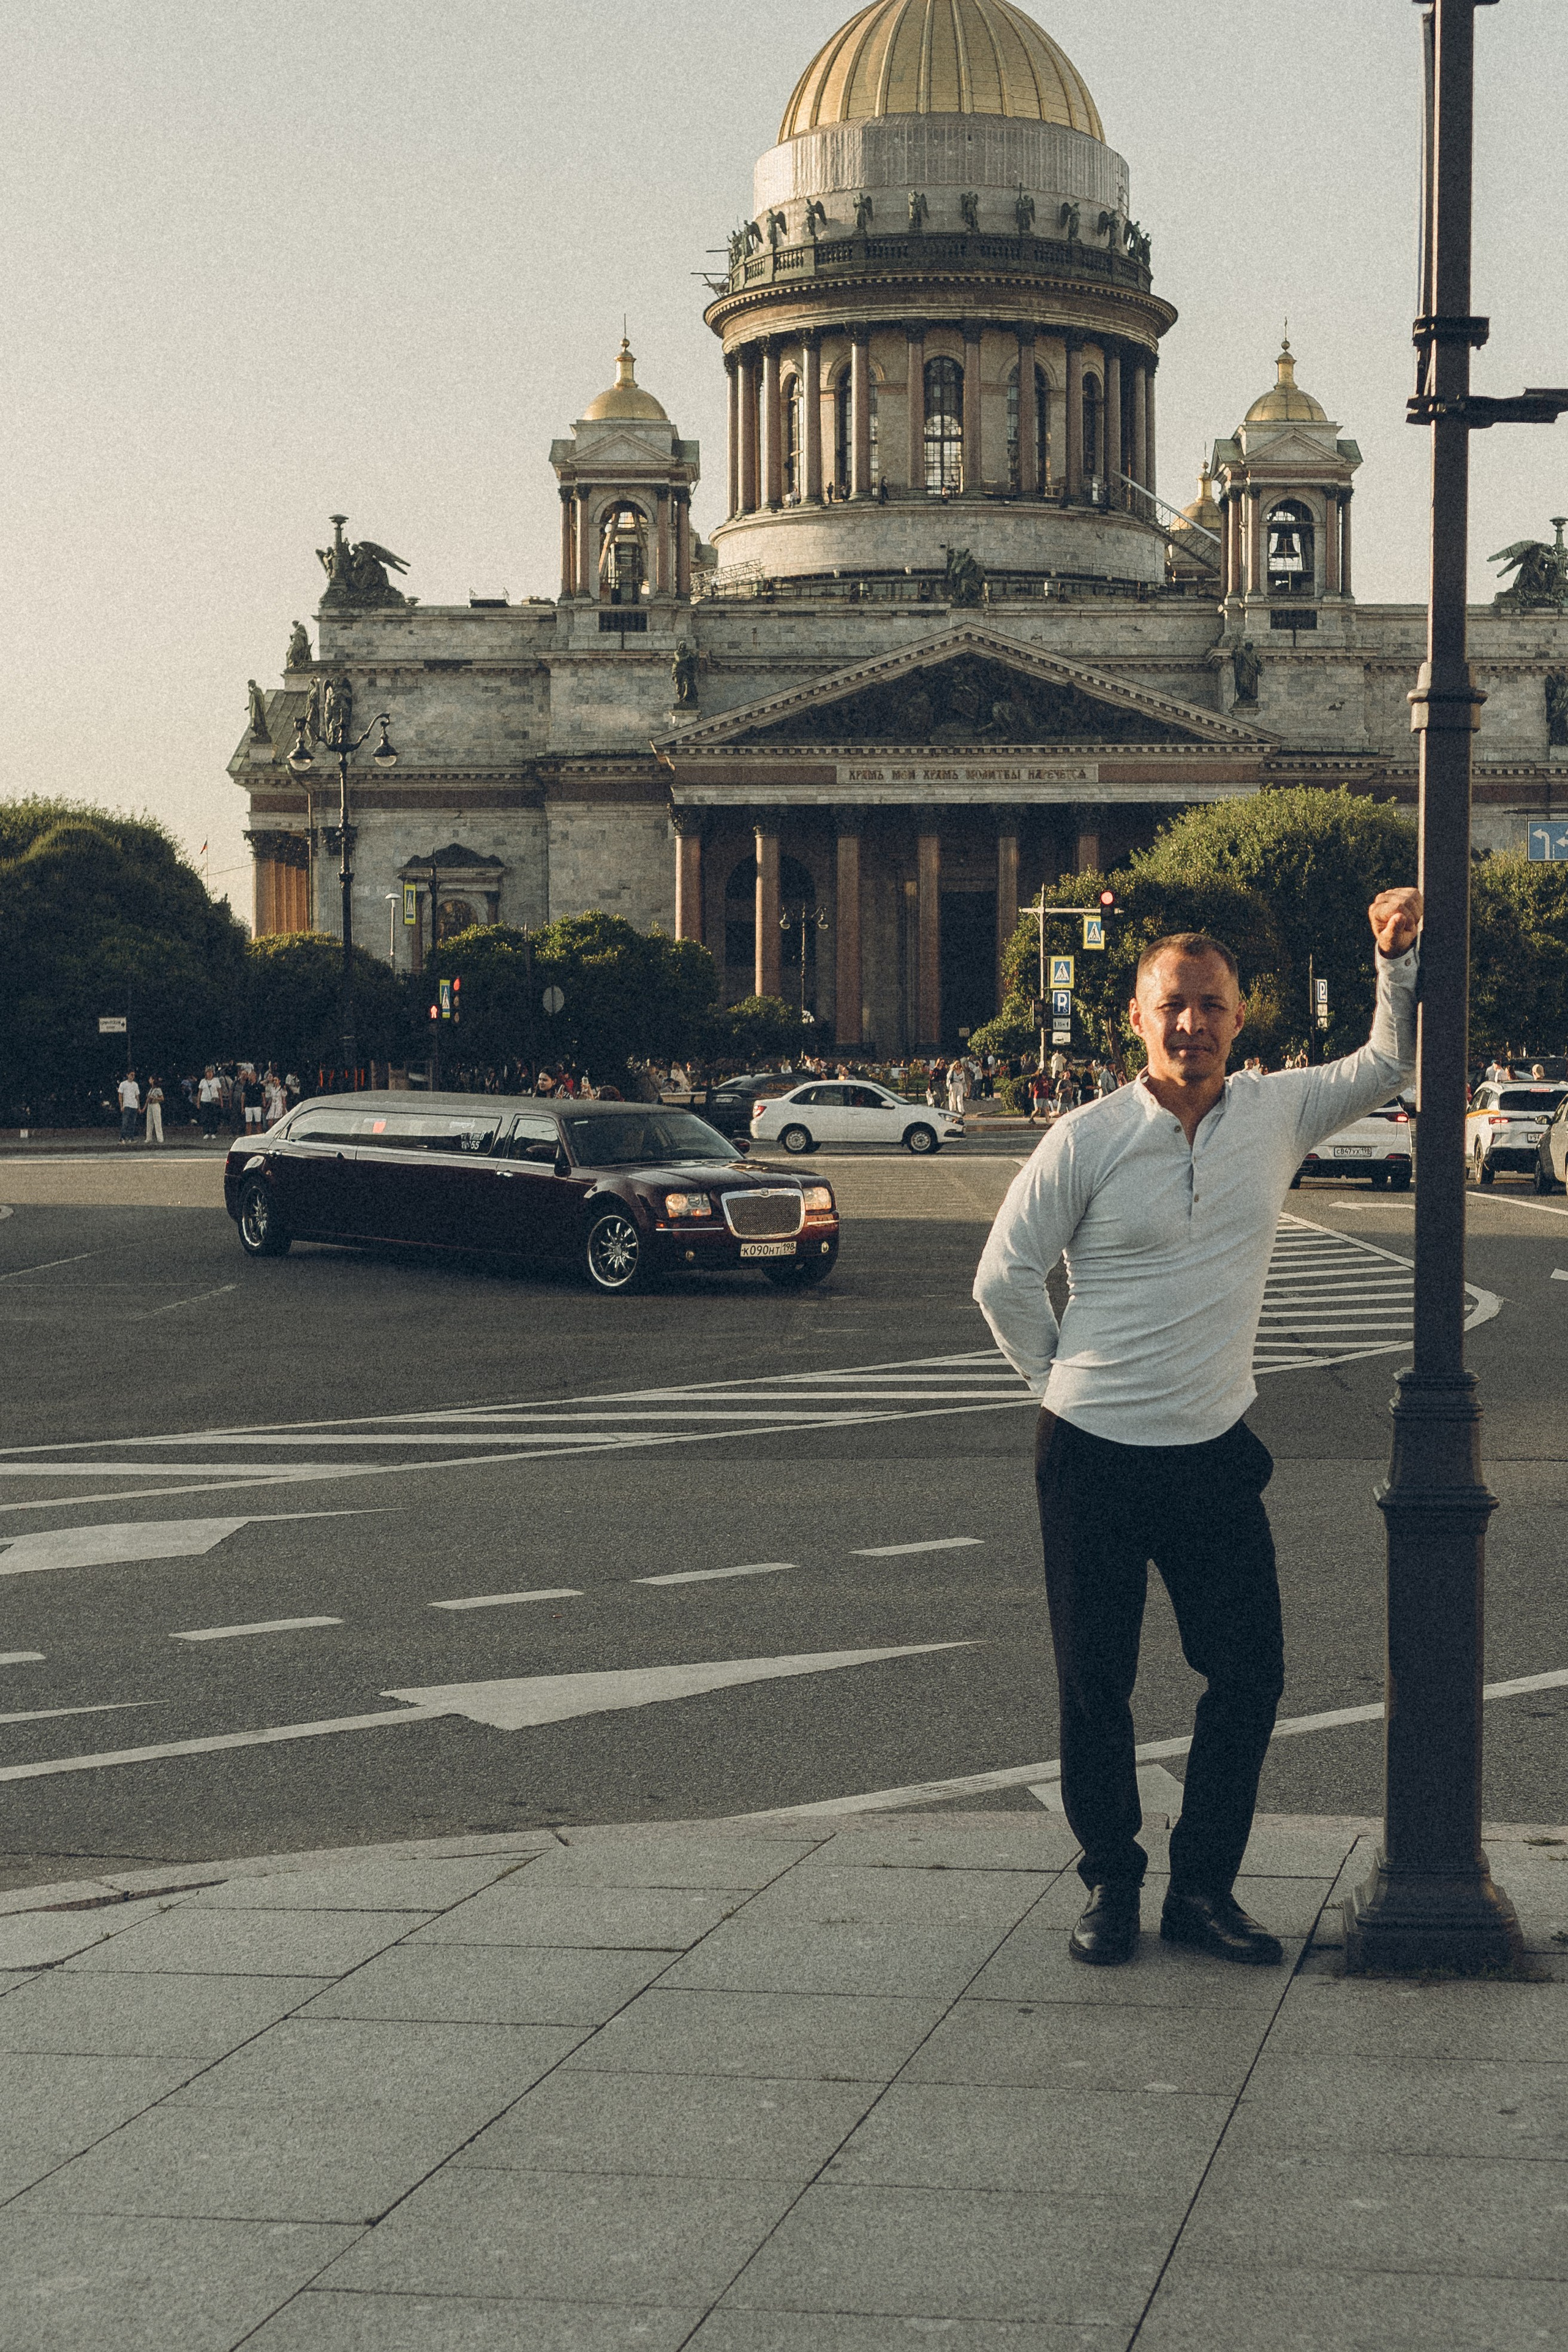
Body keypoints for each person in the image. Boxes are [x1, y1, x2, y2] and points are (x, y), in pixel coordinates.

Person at [974, 888, 1422, 1972]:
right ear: (1136, 1017)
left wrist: (1393, 960)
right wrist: (1064, 1382)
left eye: (1211, 1007)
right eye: (1174, 1006)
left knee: (1250, 1675)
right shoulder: (1086, 1137)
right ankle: (1112, 1884)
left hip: (1214, 1449)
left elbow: (1386, 1066)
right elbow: (1002, 1277)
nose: (1193, 1025)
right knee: (1097, 1684)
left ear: (1240, 1016)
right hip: (1091, 1453)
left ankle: (1204, 1890)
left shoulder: (1275, 1113)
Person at [117, 1069, 141, 1145]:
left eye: (134, 1075)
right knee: (125, 1122)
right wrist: (121, 1106)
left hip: (134, 1105)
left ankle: (131, 1138)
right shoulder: (123, 1084)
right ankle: (122, 1138)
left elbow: (137, 1096)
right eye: (131, 1075)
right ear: (127, 1075)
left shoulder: (135, 1085)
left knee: (132, 1123)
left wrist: (138, 1107)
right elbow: (120, 1095)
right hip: (127, 1105)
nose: (132, 1077)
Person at [197, 1066, 222, 1139]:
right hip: (205, 1101)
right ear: (206, 1073)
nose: (210, 1074)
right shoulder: (203, 1081)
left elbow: (220, 1091)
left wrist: (221, 1101)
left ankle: (213, 1132)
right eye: (208, 1072)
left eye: (211, 1072)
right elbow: (200, 1092)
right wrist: (198, 1103)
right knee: (205, 1117)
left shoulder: (216, 1080)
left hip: (214, 1101)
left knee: (214, 1117)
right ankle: (206, 1132)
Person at [143, 1075, 164, 1146]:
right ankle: (148, 1138)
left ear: (153, 1080)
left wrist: (155, 1098)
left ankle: (160, 1138)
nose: (149, 1080)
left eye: (150, 1079)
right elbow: (148, 1099)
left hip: (155, 1105)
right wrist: (144, 1108)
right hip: (150, 1105)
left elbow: (162, 1098)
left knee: (157, 1121)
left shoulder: (158, 1089)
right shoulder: (151, 1089)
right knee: (149, 1121)